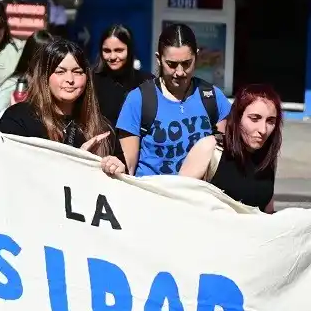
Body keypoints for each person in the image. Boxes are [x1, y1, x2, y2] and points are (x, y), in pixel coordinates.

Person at [116, 23, 230, 176]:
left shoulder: (214, 98)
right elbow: (128, 166)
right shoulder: (138, 99)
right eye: (172, 64)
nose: (180, 72)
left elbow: (223, 158)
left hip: (197, 196)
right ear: (159, 59)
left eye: (186, 63)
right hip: (150, 195)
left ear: (197, 56)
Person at [0, 38, 122, 175]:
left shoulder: (101, 129)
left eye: (77, 71)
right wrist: (75, 162)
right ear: (45, 77)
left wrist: (117, 169)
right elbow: (6, 171)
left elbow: (123, 182)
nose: (70, 79)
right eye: (60, 72)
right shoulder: (18, 119)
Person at [178, 84, 280, 212]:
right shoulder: (210, 148)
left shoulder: (267, 157)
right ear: (238, 117)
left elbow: (268, 211)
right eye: (254, 119)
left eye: (270, 121)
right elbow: (178, 201)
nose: (263, 130)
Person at [92, 24, 151, 128]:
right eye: (107, 51)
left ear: (130, 50)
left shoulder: (146, 82)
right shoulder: (91, 81)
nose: (112, 57)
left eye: (119, 50)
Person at [0, 29, 52, 111]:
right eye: (43, 59)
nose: (47, 64)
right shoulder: (15, 84)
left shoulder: (49, 83)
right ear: (30, 58)